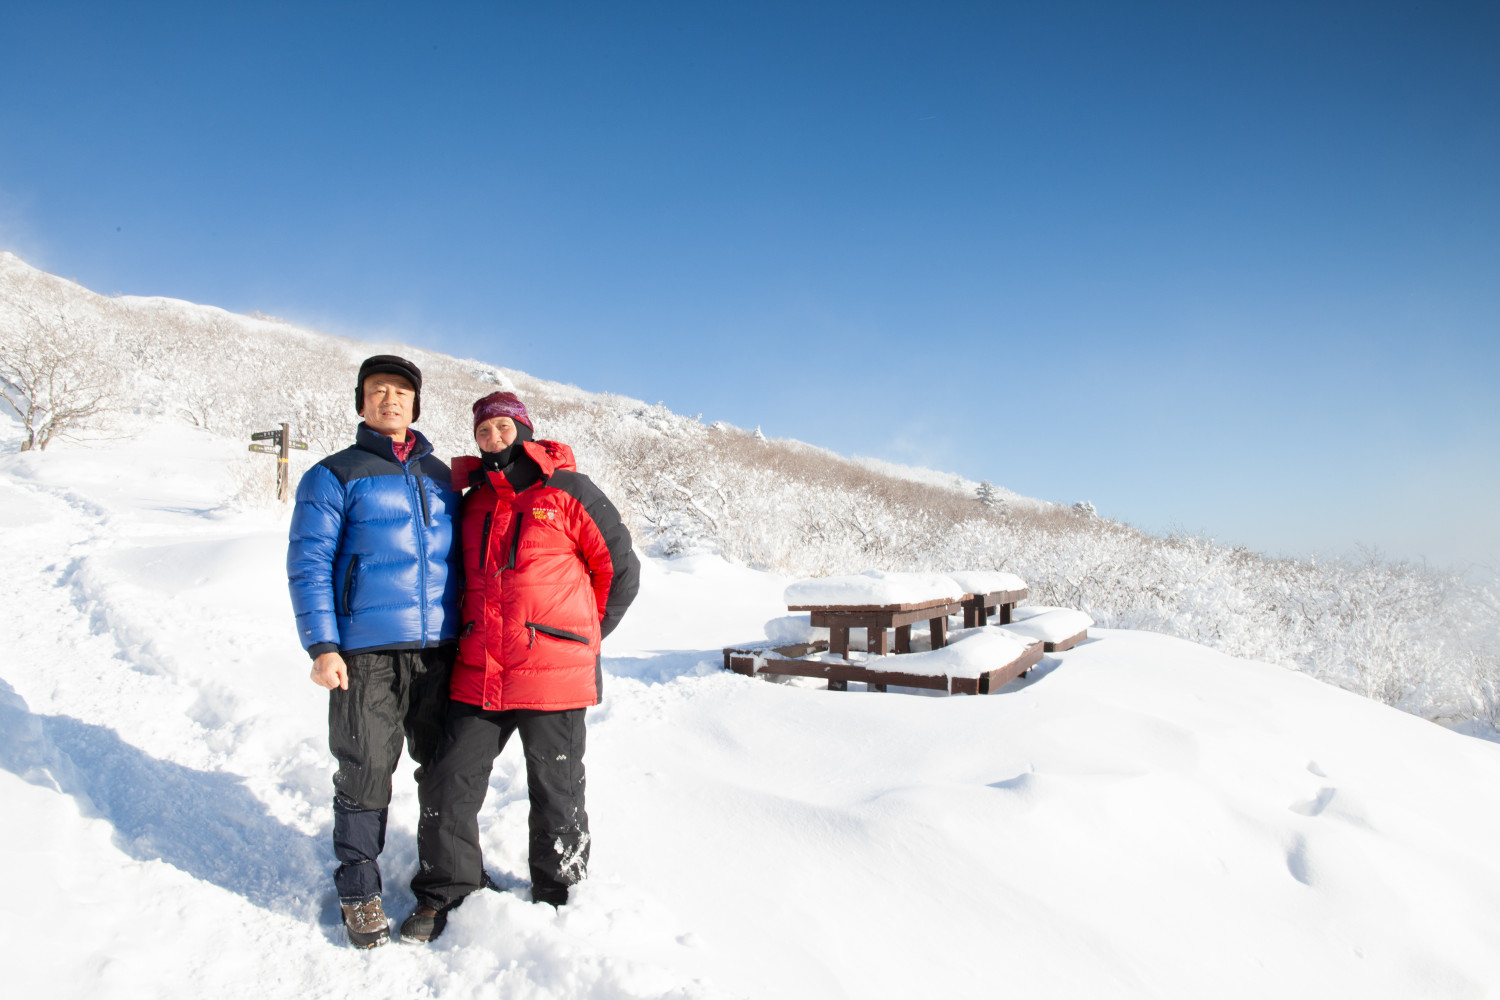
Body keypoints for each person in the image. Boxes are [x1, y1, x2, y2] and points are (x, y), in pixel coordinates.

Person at [402, 390, 639, 942]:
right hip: (479, 668)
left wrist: (577, 637)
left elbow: (620, 570)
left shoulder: (569, 491)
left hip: (552, 673)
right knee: (447, 781)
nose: (493, 439)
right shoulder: (473, 501)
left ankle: (560, 897)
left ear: (525, 431)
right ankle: (446, 890)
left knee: (557, 790)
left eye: (503, 428)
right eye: (483, 431)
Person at [286, 354, 461, 949]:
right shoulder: (333, 474)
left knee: (445, 770)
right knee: (364, 770)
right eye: (378, 390)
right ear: (362, 402)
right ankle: (360, 889)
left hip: (439, 650)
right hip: (364, 652)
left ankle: (447, 879)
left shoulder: (442, 476)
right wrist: (322, 645)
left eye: (401, 391)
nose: (390, 399)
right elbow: (309, 562)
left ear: (416, 404)